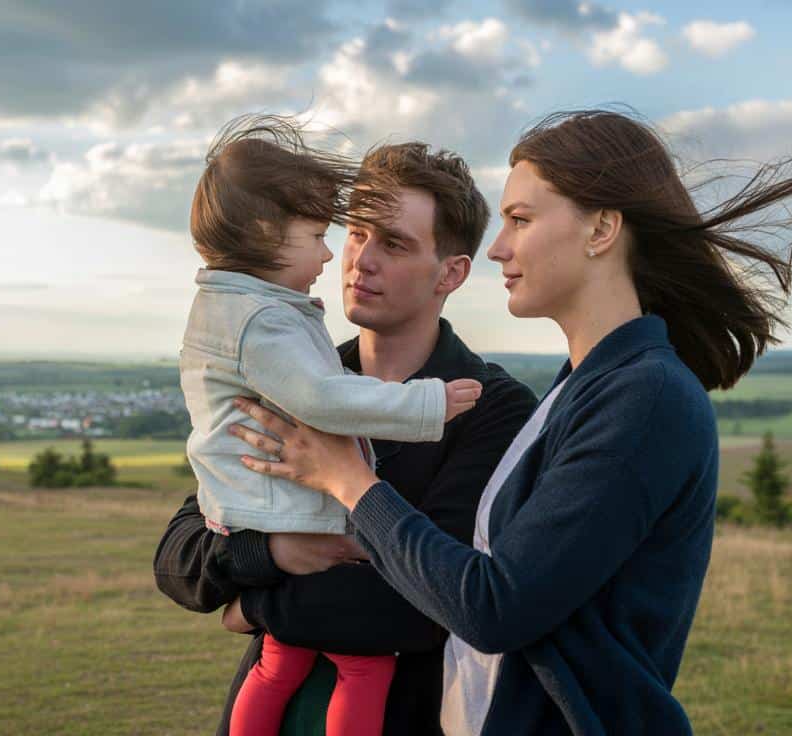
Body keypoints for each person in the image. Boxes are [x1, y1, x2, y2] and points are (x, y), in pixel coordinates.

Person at [227, 109, 792, 734]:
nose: (497, 247)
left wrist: (348, 483)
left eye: (520, 219)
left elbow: (493, 606)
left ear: (601, 229)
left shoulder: (646, 396)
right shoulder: (586, 384)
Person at [155, 141, 538, 735]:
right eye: (356, 233)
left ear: (453, 272)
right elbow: (180, 555)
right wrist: (273, 552)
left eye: (393, 243)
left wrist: (254, 605)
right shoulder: (287, 376)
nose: (359, 260)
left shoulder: (490, 408)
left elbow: (433, 608)